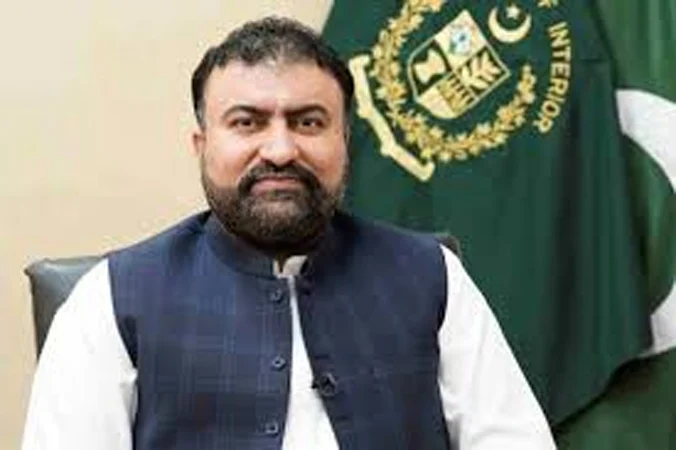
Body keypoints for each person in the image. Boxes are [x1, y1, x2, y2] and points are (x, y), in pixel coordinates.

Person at [22, 16, 556, 450]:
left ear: (345, 142)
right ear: (202, 146)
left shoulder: (433, 278)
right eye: (247, 122)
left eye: (308, 122)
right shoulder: (110, 299)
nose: (279, 150)